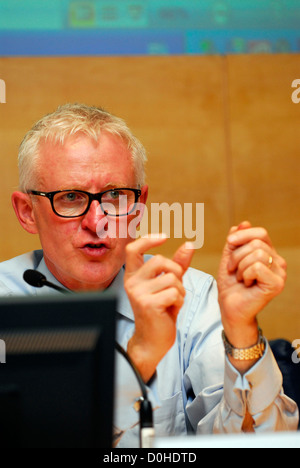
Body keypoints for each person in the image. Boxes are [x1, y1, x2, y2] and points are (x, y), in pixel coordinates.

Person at [0, 103, 298, 447]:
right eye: (70, 197)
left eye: (114, 195)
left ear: (138, 206)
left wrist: (242, 334)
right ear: (27, 212)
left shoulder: (193, 296)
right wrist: (137, 362)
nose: (98, 222)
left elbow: (260, 446)